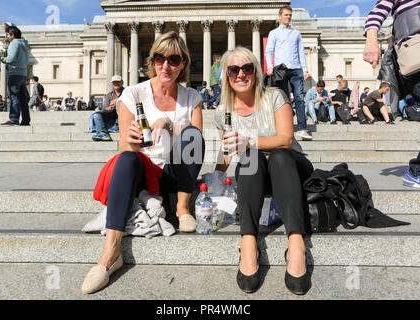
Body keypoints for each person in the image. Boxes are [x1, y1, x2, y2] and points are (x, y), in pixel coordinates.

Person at [81, 31, 204, 294]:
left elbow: (197, 139)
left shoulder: (192, 96)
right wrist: (132, 142)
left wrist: (169, 124)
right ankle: (111, 254)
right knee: (126, 156)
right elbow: (124, 146)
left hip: (173, 171)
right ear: (153, 60)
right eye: (160, 58)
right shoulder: (132, 94)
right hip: (142, 169)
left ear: (183, 63)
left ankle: (182, 208)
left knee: (191, 134)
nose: (166, 66)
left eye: (173, 59)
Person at [214, 46, 314, 295]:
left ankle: (296, 243)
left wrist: (248, 141)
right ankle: (248, 242)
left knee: (277, 155)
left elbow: (287, 139)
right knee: (250, 157)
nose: (241, 74)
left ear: (256, 73)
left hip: (290, 167)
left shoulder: (275, 96)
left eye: (247, 68)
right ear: (226, 75)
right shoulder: (222, 112)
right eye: (234, 69)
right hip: (256, 174)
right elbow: (227, 152)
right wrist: (213, 178)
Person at [364, 0, 420, 191]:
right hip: (419, 58)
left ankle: (419, 169)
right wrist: (371, 41)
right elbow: (377, 12)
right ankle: (418, 170)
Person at [265, 5, 312, 141]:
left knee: (299, 98)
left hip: (296, 68)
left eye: (290, 15)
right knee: (284, 99)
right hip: (281, 70)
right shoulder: (274, 33)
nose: (288, 17)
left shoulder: (296, 33)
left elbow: (301, 52)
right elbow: (269, 51)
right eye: (286, 15)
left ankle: (302, 128)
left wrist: (305, 69)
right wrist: (270, 66)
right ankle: (286, 127)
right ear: (280, 16)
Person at [1, 26, 30, 126]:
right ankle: (26, 120)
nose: (7, 37)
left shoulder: (14, 43)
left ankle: (13, 119)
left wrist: (3, 59)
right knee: (23, 99)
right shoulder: (25, 45)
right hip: (23, 74)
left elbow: (11, 59)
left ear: (12, 35)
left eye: (8, 35)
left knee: (14, 97)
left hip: (14, 73)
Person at [91, 75, 124, 141]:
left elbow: (132, 102)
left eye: (118, 82)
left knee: (121, 105)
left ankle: (117, 126)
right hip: (111, 117)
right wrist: (110, 107)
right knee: (96, 115)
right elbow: (105, 108)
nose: (116, 84)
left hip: (123, 116)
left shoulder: (127, 92)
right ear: (112, 84)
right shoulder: (109, 95)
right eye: (114, 82)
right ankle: (103, 133)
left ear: (122, 82)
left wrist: (117, 101)